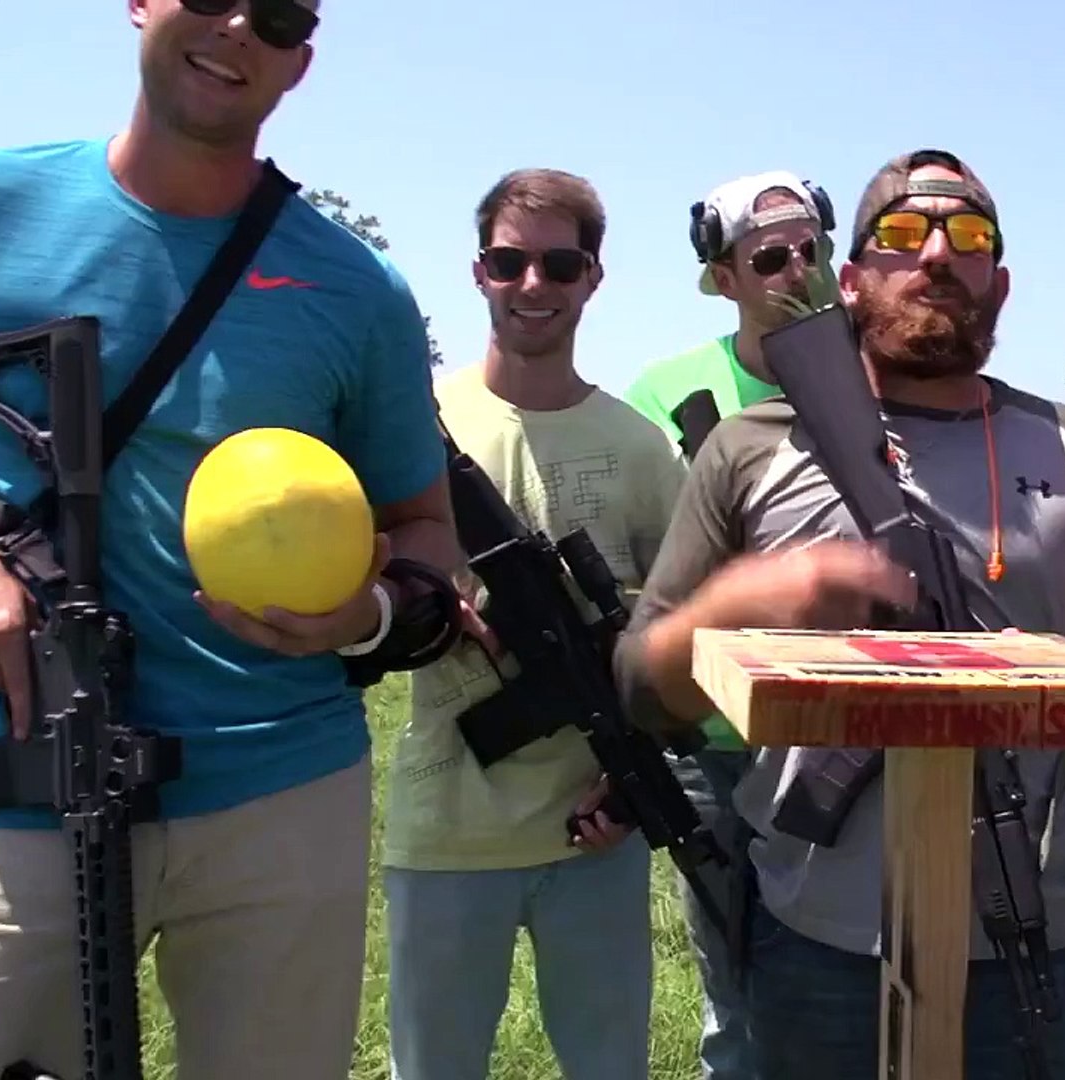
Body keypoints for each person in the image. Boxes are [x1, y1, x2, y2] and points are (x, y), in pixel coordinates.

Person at [614, 147, 1065, 1079]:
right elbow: (641, 690)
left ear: (1001, 283)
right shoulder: (750, 449)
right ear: (849, 280)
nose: (936, 253)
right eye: (900, 235)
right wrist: (737, 605)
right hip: (820, 942)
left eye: (968, 235)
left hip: (1045, 932)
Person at [0, 1, 463, 1076]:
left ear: (301, 59)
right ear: (141, 5)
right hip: (13, 779)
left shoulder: (358, 289)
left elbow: (427, 528)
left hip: (279, 792)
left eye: (281, 13)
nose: (238, 25)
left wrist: (369, 613)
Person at [379, 167, 688, 1080]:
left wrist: (634, 790)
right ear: (478, 271)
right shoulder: (414, 422)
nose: (533, 286)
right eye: (509, 262)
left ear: (594, 277)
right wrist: (426, 607)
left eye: (559, 264)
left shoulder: (640, 447)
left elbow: (681, 638)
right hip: (443, 830)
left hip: (593, 837)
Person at [620, 167, 838, 1080]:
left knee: (845, 975)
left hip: (843, 733)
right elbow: (634, 574)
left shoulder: (872, 381)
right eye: (769, 256)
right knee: (736, 987)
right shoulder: (666, 392)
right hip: (710, 740)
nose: (796, 270)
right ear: (723, 278)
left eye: (812, 251)